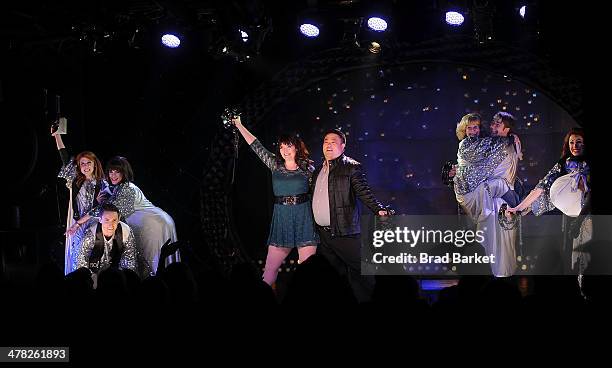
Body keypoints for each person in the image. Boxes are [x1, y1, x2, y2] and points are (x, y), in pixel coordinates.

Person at [232, 116, 318, 286]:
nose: (285, 150)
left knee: (309, 272)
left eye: (289, 145)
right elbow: (255, 145)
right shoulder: (274, 164)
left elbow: (319, 193)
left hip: (304, 219)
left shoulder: (308, 168)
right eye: (281, 146)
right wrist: (239, 125)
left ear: (297, 147)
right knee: (270, 271)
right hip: (282, 218)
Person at [311, 128, 389, 302]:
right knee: (332, 279)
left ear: (343, 146)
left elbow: (364, 192)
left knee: (363, 273)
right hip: (323, 236)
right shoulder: (318, 170)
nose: (328, 145)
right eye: (325, 141)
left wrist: (379, 209)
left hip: (345, 232)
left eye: (333, 141)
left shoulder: (351, 167)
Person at [70, 156, 179, 279]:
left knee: (155, 265)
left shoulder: (127, 189)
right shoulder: (119, 188)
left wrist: (77, 224)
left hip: (154, 226)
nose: (113, 175)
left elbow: (104, 211)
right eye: (111, 171)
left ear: (124, 172)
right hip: (148, 225)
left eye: (118, 171)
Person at [507, 128, 590, 274]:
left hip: (592, 217)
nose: (575, 146)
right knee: (578, 261)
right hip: (573, 219)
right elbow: (540, 188)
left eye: (579, 142)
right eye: (571, 142)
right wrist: (518, 208)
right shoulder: (563, 164)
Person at [453, 112, 522, 277]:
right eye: (468, 128)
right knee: (490, 239)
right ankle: (488, 277)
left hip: (499, 202)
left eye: (496, 124)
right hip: (490, 199)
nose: (492, 126)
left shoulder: (504, 145)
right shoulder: (491, 144)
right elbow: (475, 168)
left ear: (506, 128)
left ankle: (502, 279)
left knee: (502, 245)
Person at [52, 127, 107, 275]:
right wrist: (56, 135)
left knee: (90, 254)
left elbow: (98, 209)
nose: (85, 166)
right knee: (76, 254)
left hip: (93, 223)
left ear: (94, 164)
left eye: (88, 163)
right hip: (77, 222)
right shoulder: (75, 180)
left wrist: (78, 224)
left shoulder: (102, 184)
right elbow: (64, 156)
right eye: (82, 163)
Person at [75, 203, 137, 287]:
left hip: (116, 273)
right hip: (93, 273)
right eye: (107, 220)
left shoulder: (126, 232)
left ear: (119, 219)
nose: (111, 225)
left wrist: (123, 281)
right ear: (100, 219)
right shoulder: (90, 234)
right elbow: (81, 260)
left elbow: (130, 261)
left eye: (114, 220)